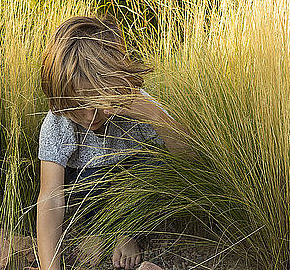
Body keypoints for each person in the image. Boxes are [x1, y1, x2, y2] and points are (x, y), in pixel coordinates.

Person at [36, 16, 194, 270]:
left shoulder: (133, 101)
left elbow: (189, 156)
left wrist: (150, 113)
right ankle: (97, 231)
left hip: (136, 192)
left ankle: (127, 232)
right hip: (90, 194)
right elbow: (51, 198)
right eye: (79, 106)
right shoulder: (59, 120)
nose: (90, 116)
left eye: (98, 103)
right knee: (80, 186)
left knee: (154, 165)